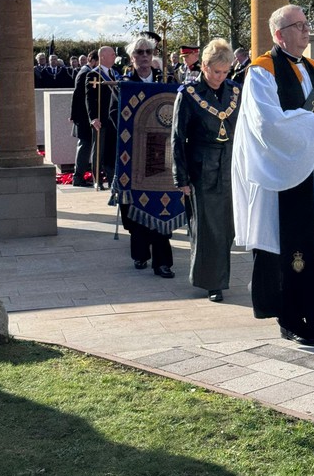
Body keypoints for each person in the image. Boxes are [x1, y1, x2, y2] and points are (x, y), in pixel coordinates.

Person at [232, 5, 314, 346]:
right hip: (281, 174)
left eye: (307, 24)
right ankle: (290, 316)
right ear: (279, 34)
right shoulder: (262, 72)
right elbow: (267, 123)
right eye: (298, 25)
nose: (306, 30)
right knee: (286, 242)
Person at [171, 38, 241, 301]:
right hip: (202, 169)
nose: (220, 77)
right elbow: (178, 138)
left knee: (228, 227)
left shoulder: (235, 91)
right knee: (208, 227)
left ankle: (218, 274)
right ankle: (213, 283)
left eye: (225, 72)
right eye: (216, 71)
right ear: (204, 66)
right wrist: (181, 178)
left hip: (231, 166)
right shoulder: (188, 94)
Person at [110, 36, 175, 277]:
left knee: (161, 204)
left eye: (148, 51)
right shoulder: (124, 85)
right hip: (133, 155)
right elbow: (114, 114)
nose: (145, 56)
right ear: (132, 57)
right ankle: (140, 254)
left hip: (162, 152)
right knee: (136, 206)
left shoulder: (166, 80)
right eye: (139, 52)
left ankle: (163, 262)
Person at [85, 45, 118, 188]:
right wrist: (93, 118)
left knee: (111, 150)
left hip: (113, 119)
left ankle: (111, 179)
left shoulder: (114, 73)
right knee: (98, 150)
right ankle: (97, 180)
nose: (115, 57)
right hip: (101, 118)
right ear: (103, 56)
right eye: (112, 55)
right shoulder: (93, 75)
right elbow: (90, 98)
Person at [69, 49, 98, 187]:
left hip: (84, 116)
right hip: (83, 117)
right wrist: (74, 115)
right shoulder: (86, 73)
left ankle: (80, 175)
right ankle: (78, 177)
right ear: (94, 61)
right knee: (84, 147)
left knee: (85, 146)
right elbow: (78, 95)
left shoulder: (86, 71)